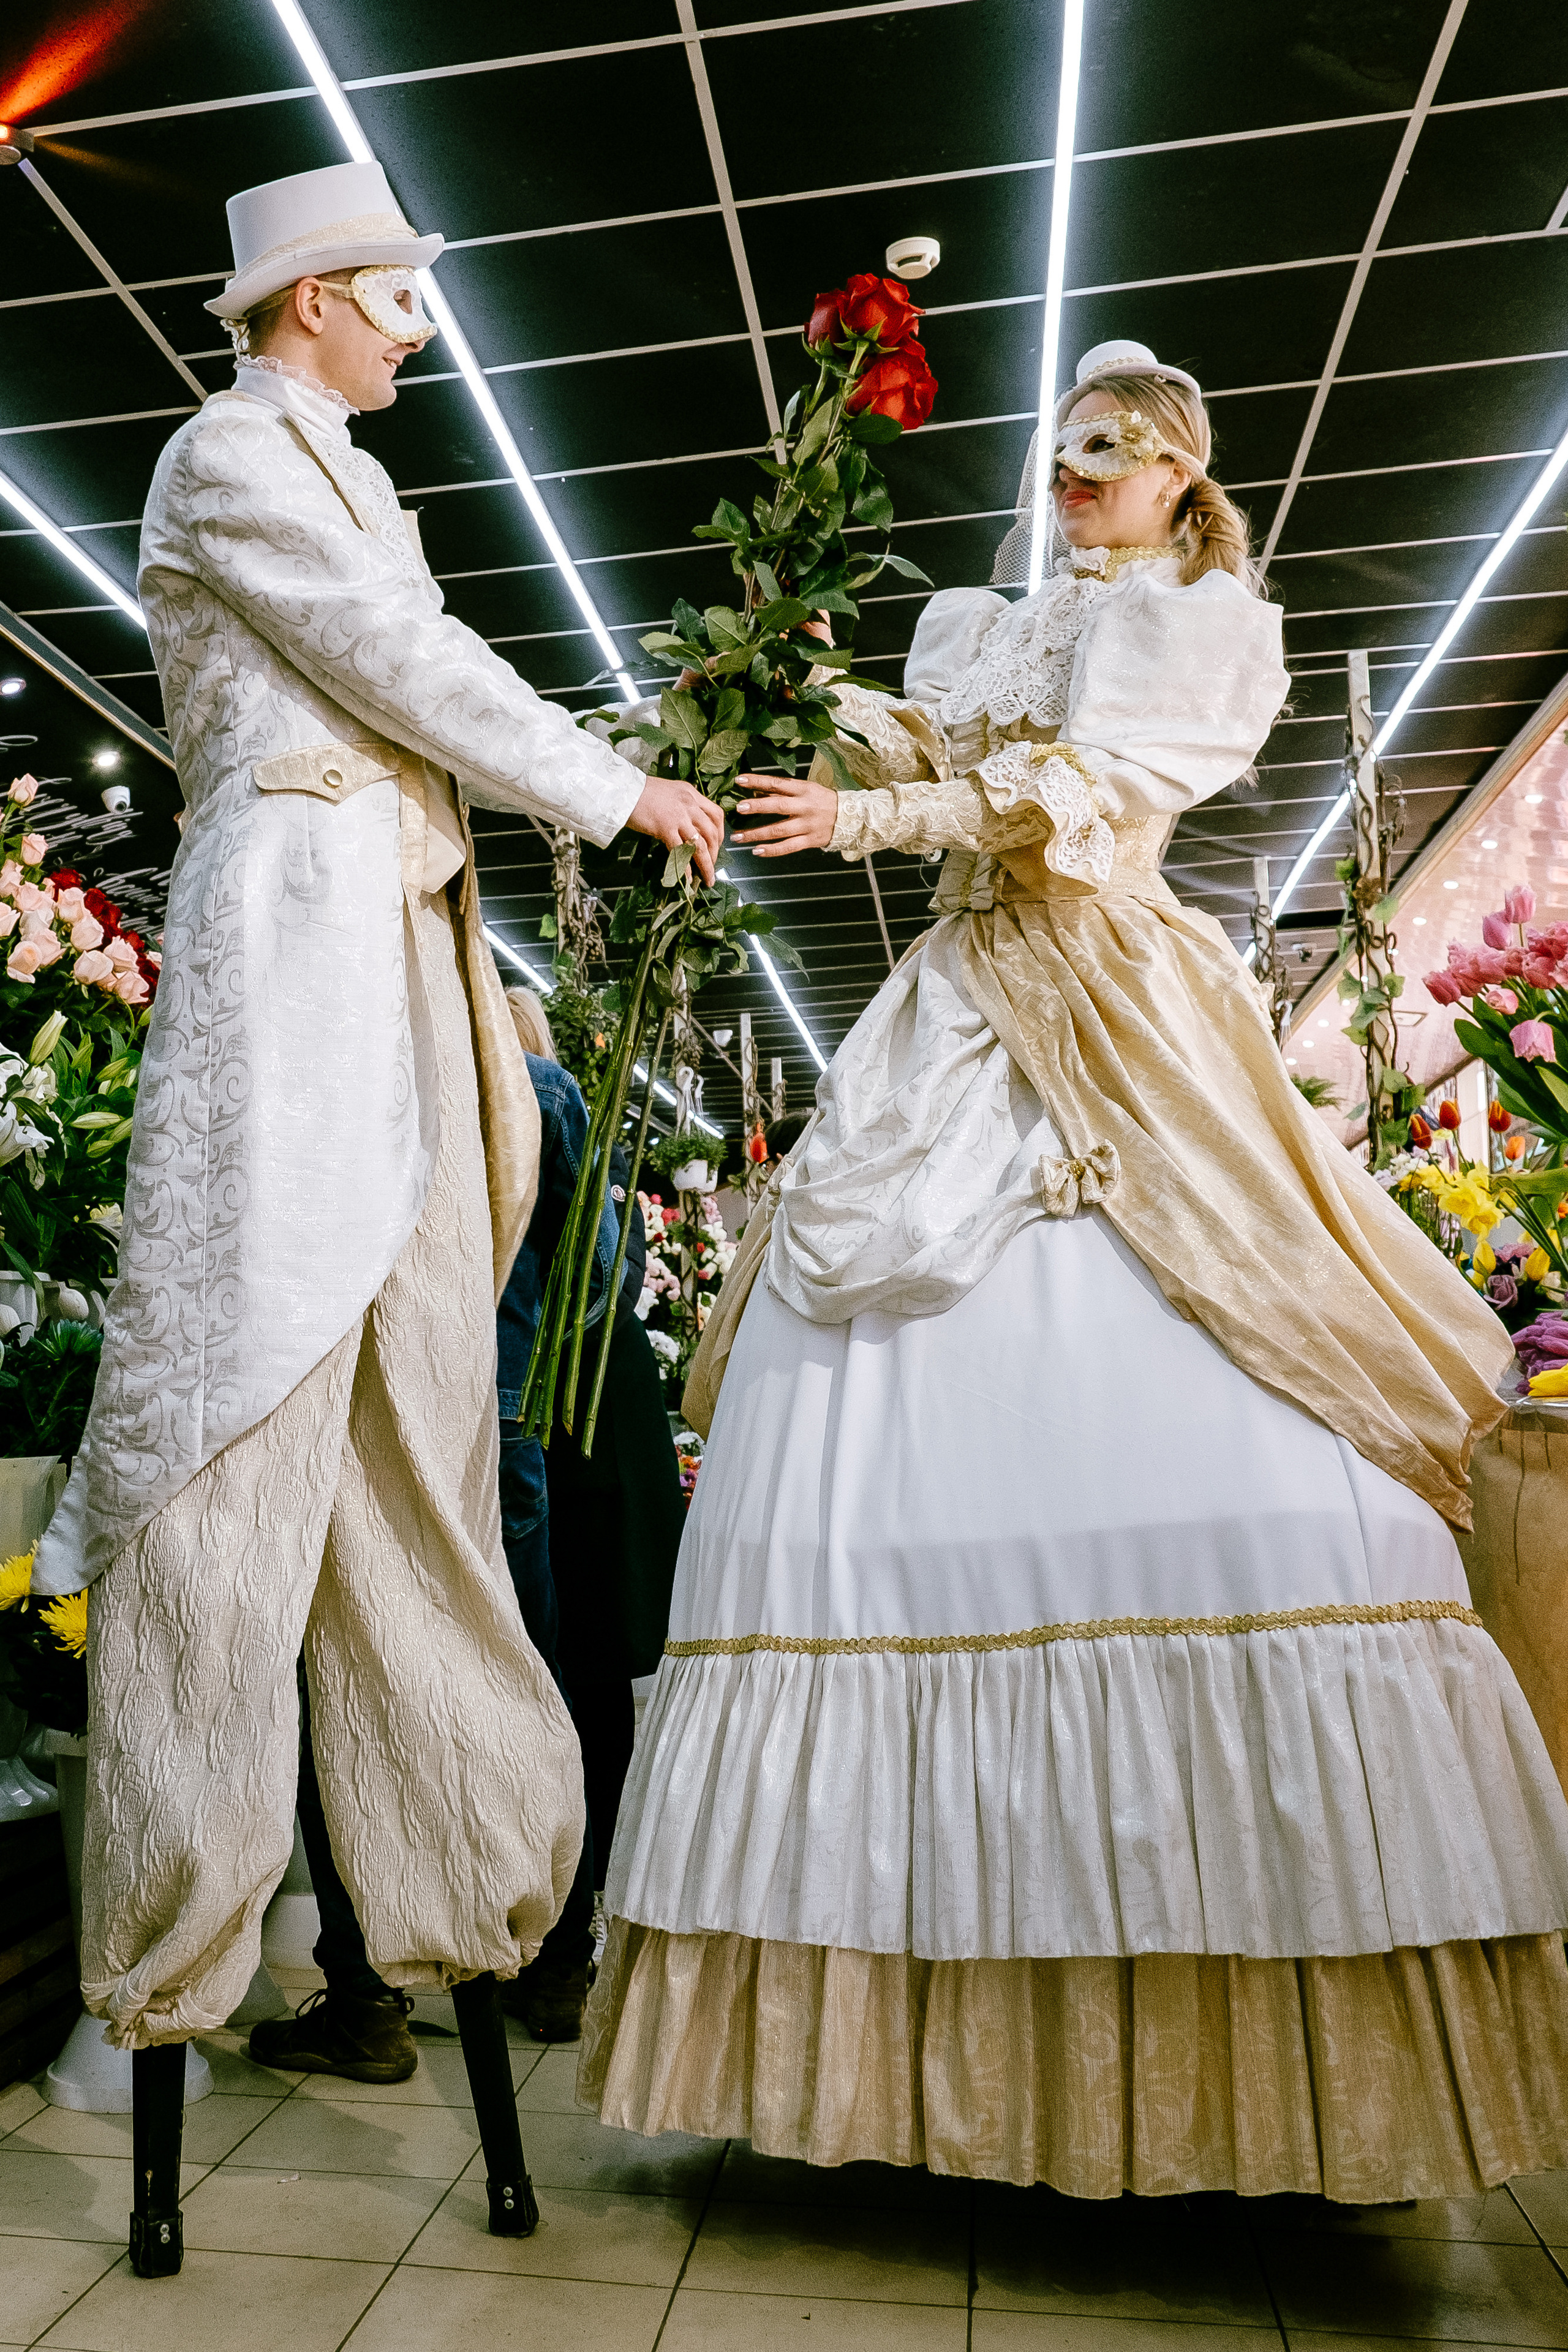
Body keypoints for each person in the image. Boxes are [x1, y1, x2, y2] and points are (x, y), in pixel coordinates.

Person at [578, 339, 1568, 2201]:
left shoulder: (1202, 625)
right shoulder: (984, 620)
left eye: (1114, 445)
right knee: (837, 1429)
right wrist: (800, 691)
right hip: (950, 1007)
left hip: (1108, 1003)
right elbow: (929, 749)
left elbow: (1086, 796)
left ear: (1185, 470)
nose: (1078, 468)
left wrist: (880, 816)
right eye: (1063, 446)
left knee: (1232, 1400)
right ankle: (870, 2043)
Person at [29, 160, 723, 2059]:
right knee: (236, 1417)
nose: (420, 327)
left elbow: (412, 672)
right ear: (315, 296)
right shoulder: (226, 456)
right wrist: (616, 785)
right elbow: (397, 661)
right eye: (398, 294)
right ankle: (178, 1933)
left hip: (401, 970)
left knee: (426, 1429)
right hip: (289, 960)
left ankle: (457, 1891)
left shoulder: (348, 474)